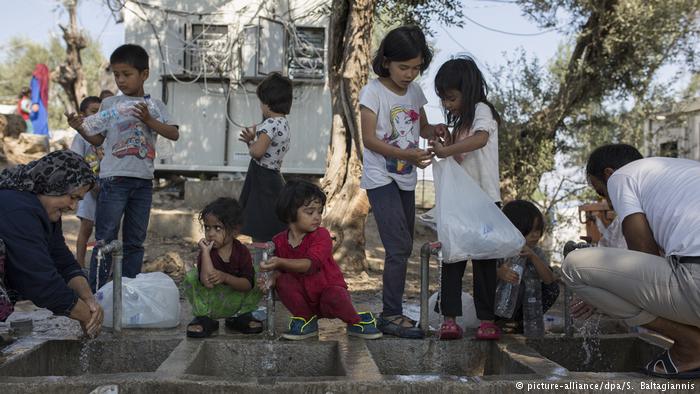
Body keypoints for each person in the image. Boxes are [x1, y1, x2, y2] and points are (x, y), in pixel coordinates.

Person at [562, 143, 700, 379]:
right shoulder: (684, 171)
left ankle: (691, 346)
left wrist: (608, 288)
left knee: (573, 266)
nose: (608, 202)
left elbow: (642, 255)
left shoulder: (622, 177)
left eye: (601, 193)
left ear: (608, 174)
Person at [65, 44, 180, 291]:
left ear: (144, 74)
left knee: (135, 241)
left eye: (126, 74)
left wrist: (149, 120)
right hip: (113, 180)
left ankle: (127, 291)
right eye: (117, 75)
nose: (120, 80)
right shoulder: (111, 106)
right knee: (105, 239)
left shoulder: (155, 106)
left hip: (143, 182)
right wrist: (80, 128)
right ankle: (96, 293)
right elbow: (98, 139)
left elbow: (173, 133)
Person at [359, 25, 447, 339]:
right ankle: (390, 315)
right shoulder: (372, 92)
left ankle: (392, 312)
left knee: (404, 247)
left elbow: (421, 128)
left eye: (416, 68)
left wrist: (434, 130)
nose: (410, 74)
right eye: (403, 67)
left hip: (406, 178)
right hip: (380, 178)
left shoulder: (414, 92)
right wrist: (406, 155)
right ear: (386, 62)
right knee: (398, 247)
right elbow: (369, 140)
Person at [429, 56, 503, 340]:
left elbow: (481, 139)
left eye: (451, 98)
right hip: (461, 203)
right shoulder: (461, 122)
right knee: (453, 259)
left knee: (485, 264)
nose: (447, 105)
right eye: (444, 100)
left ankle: (487, 319)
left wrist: (448, 150)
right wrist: (445, 141)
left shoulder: (482, 111)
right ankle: (449, 318)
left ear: (468, 90)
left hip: (484, 202)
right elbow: (460, 157)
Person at [259, 180, 383, 340]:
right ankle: (305, 320)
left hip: (327, 292)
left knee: (335, 296)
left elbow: (310, 264)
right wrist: (272, 278)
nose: (317, 217)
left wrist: (279, 262)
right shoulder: (279, 241)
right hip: (302, 296)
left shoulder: (322, 235)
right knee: (283, 282)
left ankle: (357, 320)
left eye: (319, 211)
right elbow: (280, 271)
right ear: (290, 213)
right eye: (310, 212)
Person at [0, 150, 103, 337]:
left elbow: (60, 259)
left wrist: (89, 300)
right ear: (52, 185)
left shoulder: (42, 209)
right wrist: (85, 315)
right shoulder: (17, 209)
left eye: (78, 200)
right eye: (72, 197)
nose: (73, 207)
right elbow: (39, 281)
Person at [182, 197, 263, 338]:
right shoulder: (207, 252)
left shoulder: (241, 252)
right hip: (211, 303)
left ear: (234, 231)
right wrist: (206, 253)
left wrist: (225, 277)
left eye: (217, 228)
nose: (210, 233)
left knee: (259, 274)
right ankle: (205, 319)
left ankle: (240, 317)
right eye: (207, 227)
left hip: (237, 300)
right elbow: (206, 282)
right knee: (192, 277)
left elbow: (248, 285)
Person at [237, 72, 291, 243]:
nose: (260, 106)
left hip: (262, 178)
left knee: (260, 223)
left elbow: (257, 152)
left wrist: (250, 142)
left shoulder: (269, 124)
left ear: (267, 103)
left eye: (261, 102)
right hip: (275, 176)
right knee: (275, 223)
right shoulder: (284, 123)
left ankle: (262, 261)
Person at [496, 200, 559, 328]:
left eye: (538, 230)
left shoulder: (536, 252)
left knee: (552, 288)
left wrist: (533, 257)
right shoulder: (499, 251)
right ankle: (497, 320)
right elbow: (483, 277)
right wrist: (499, 272)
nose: (536, 235)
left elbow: (549, 279)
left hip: (525, 307)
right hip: (499, 305)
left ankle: (522, 322)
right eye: (530, 230)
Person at [70, 96, 104, 268]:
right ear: (82, 115)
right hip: (89, 190)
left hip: (106, 188)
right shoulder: (81, 137)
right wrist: (88, 185)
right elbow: (76, 161)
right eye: (93, 111)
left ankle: (103, 267)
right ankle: (79, 265)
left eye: (100, 111)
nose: (97, 115)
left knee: (105, 231)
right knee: (86, 228)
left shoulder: (107, 133)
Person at [29, 64, 50, 136]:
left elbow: (35, 90)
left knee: (37, 125)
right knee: (43, 124)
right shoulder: (43, 79)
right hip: (42, 105)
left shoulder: (36, 78)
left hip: (37, 104)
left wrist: (35, 102)